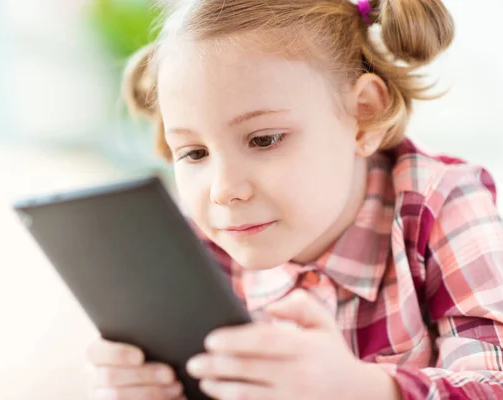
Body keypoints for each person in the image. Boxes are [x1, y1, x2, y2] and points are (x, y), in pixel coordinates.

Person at [85, 0, 503, 398]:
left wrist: (361, 389)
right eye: (195, 153)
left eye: (263, 139)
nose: (223, 189)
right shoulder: (195, 245)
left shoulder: (442, 204)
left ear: (364, 115)